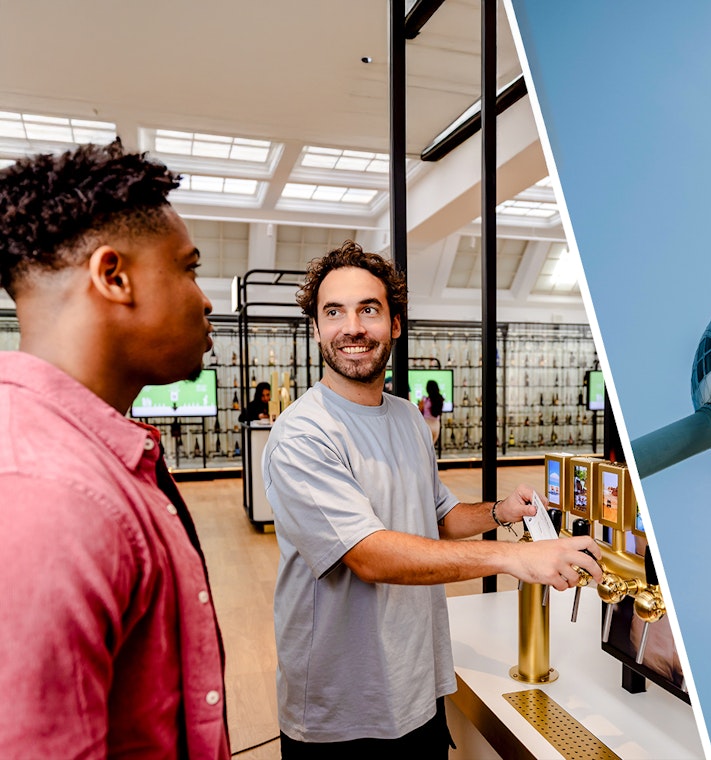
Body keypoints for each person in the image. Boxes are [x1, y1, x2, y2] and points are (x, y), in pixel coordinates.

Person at [264, 241, 602, 758]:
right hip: (344, 716)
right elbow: (369, 556)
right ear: (315, 328)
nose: (352, 327)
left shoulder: (407, 418)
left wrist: (500, 512)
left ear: (395, 323)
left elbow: (438, 516)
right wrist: (514, 558)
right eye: (333, 312)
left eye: (368, 310)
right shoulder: (303, 434)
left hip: (418, 690)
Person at [0, 142, 229, 757]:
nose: (206, 300)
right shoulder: (46, 495)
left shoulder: (91, 459)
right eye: (188, 269)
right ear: (114, 276)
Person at [419, 378, 444, 443]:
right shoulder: (440, 399)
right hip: (436, 425)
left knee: (425, 447)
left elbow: (418, 412)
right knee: (431, 446)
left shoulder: (424, 400)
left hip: (427, 425)